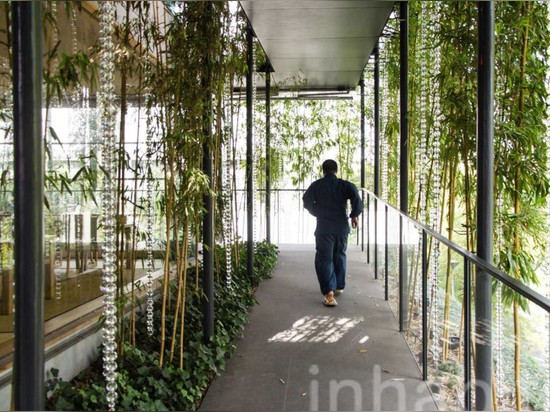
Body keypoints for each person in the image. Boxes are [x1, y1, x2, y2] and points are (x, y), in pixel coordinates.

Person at [303, 159, 363, 307]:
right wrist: (354, 215)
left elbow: (306, 201)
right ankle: (339, 285)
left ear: (323, 171)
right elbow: (356, 197)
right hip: (341, 227)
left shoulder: (316, 185)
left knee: (324, 258)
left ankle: (329, 293)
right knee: (339, 254)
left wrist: (317, 212)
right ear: (336, 170)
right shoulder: (344, 185)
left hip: (324, 227)